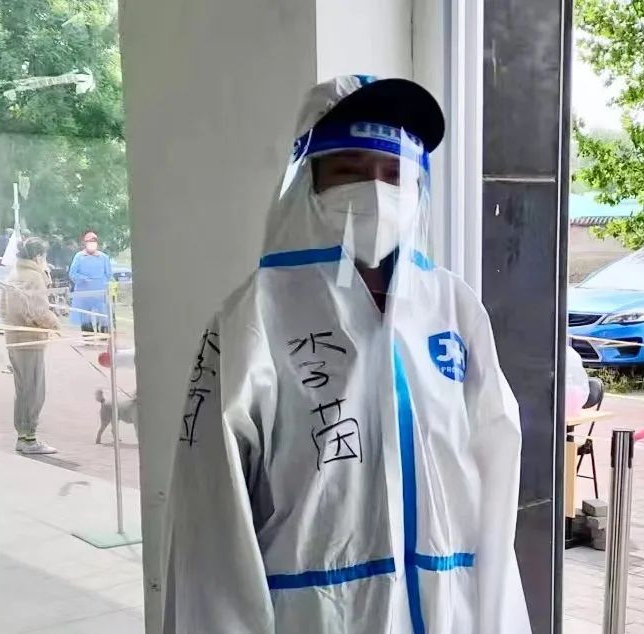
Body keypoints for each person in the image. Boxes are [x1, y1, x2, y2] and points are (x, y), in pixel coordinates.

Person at [163, 76, 531, 633]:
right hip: (315, 618)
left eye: (394, 174)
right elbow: (210, 520)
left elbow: (495, 475)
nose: (376, 191)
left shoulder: (453, 309)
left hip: (447, 611)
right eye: (350, 169)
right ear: (308, 180)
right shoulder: (255, 317)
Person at [1, 238, 60, 455]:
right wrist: (55, 323)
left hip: (14, 340)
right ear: (37, 256)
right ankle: (29, 439)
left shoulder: (14, 273)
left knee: (23, 390)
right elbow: (38, 312)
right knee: (34, 391)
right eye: (44, 255)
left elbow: (3, 308)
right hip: (30, 341)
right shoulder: (33, 276)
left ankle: (23, 436)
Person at [69, 231, 112, 342]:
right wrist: (83, 278)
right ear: (85, 243)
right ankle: (88, 338)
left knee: (102, 315)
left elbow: (109, 275)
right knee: (85, 317)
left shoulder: (104, 257)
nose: (91, 244)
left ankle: (103, 336)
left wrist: (103, 284)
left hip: (100, 293)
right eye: (89, 241)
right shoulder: (79, 257)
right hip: (84, 293)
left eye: (94, 241)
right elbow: (72, 274)